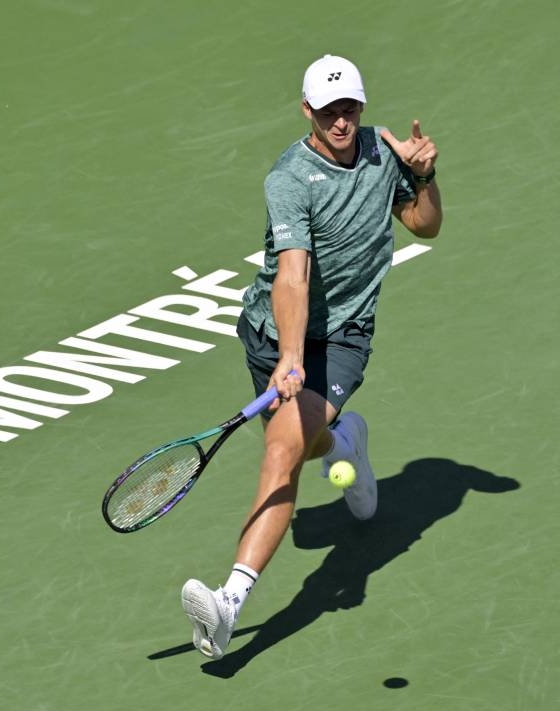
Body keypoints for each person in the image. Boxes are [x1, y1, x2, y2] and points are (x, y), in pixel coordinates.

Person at [180, 53, 443, 660]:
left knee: (281, 452)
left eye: (349, 108)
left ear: (361, 106)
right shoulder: (290, 180)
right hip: (273, 335)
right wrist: (290, 355)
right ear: (308, 111)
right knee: (302, 444)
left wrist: (425, 177)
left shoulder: (383, 151)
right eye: (328, 112)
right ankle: (346, 443)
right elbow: (292, 276)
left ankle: (228, 608)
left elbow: (423, 226)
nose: (341, 121)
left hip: (344, 336)